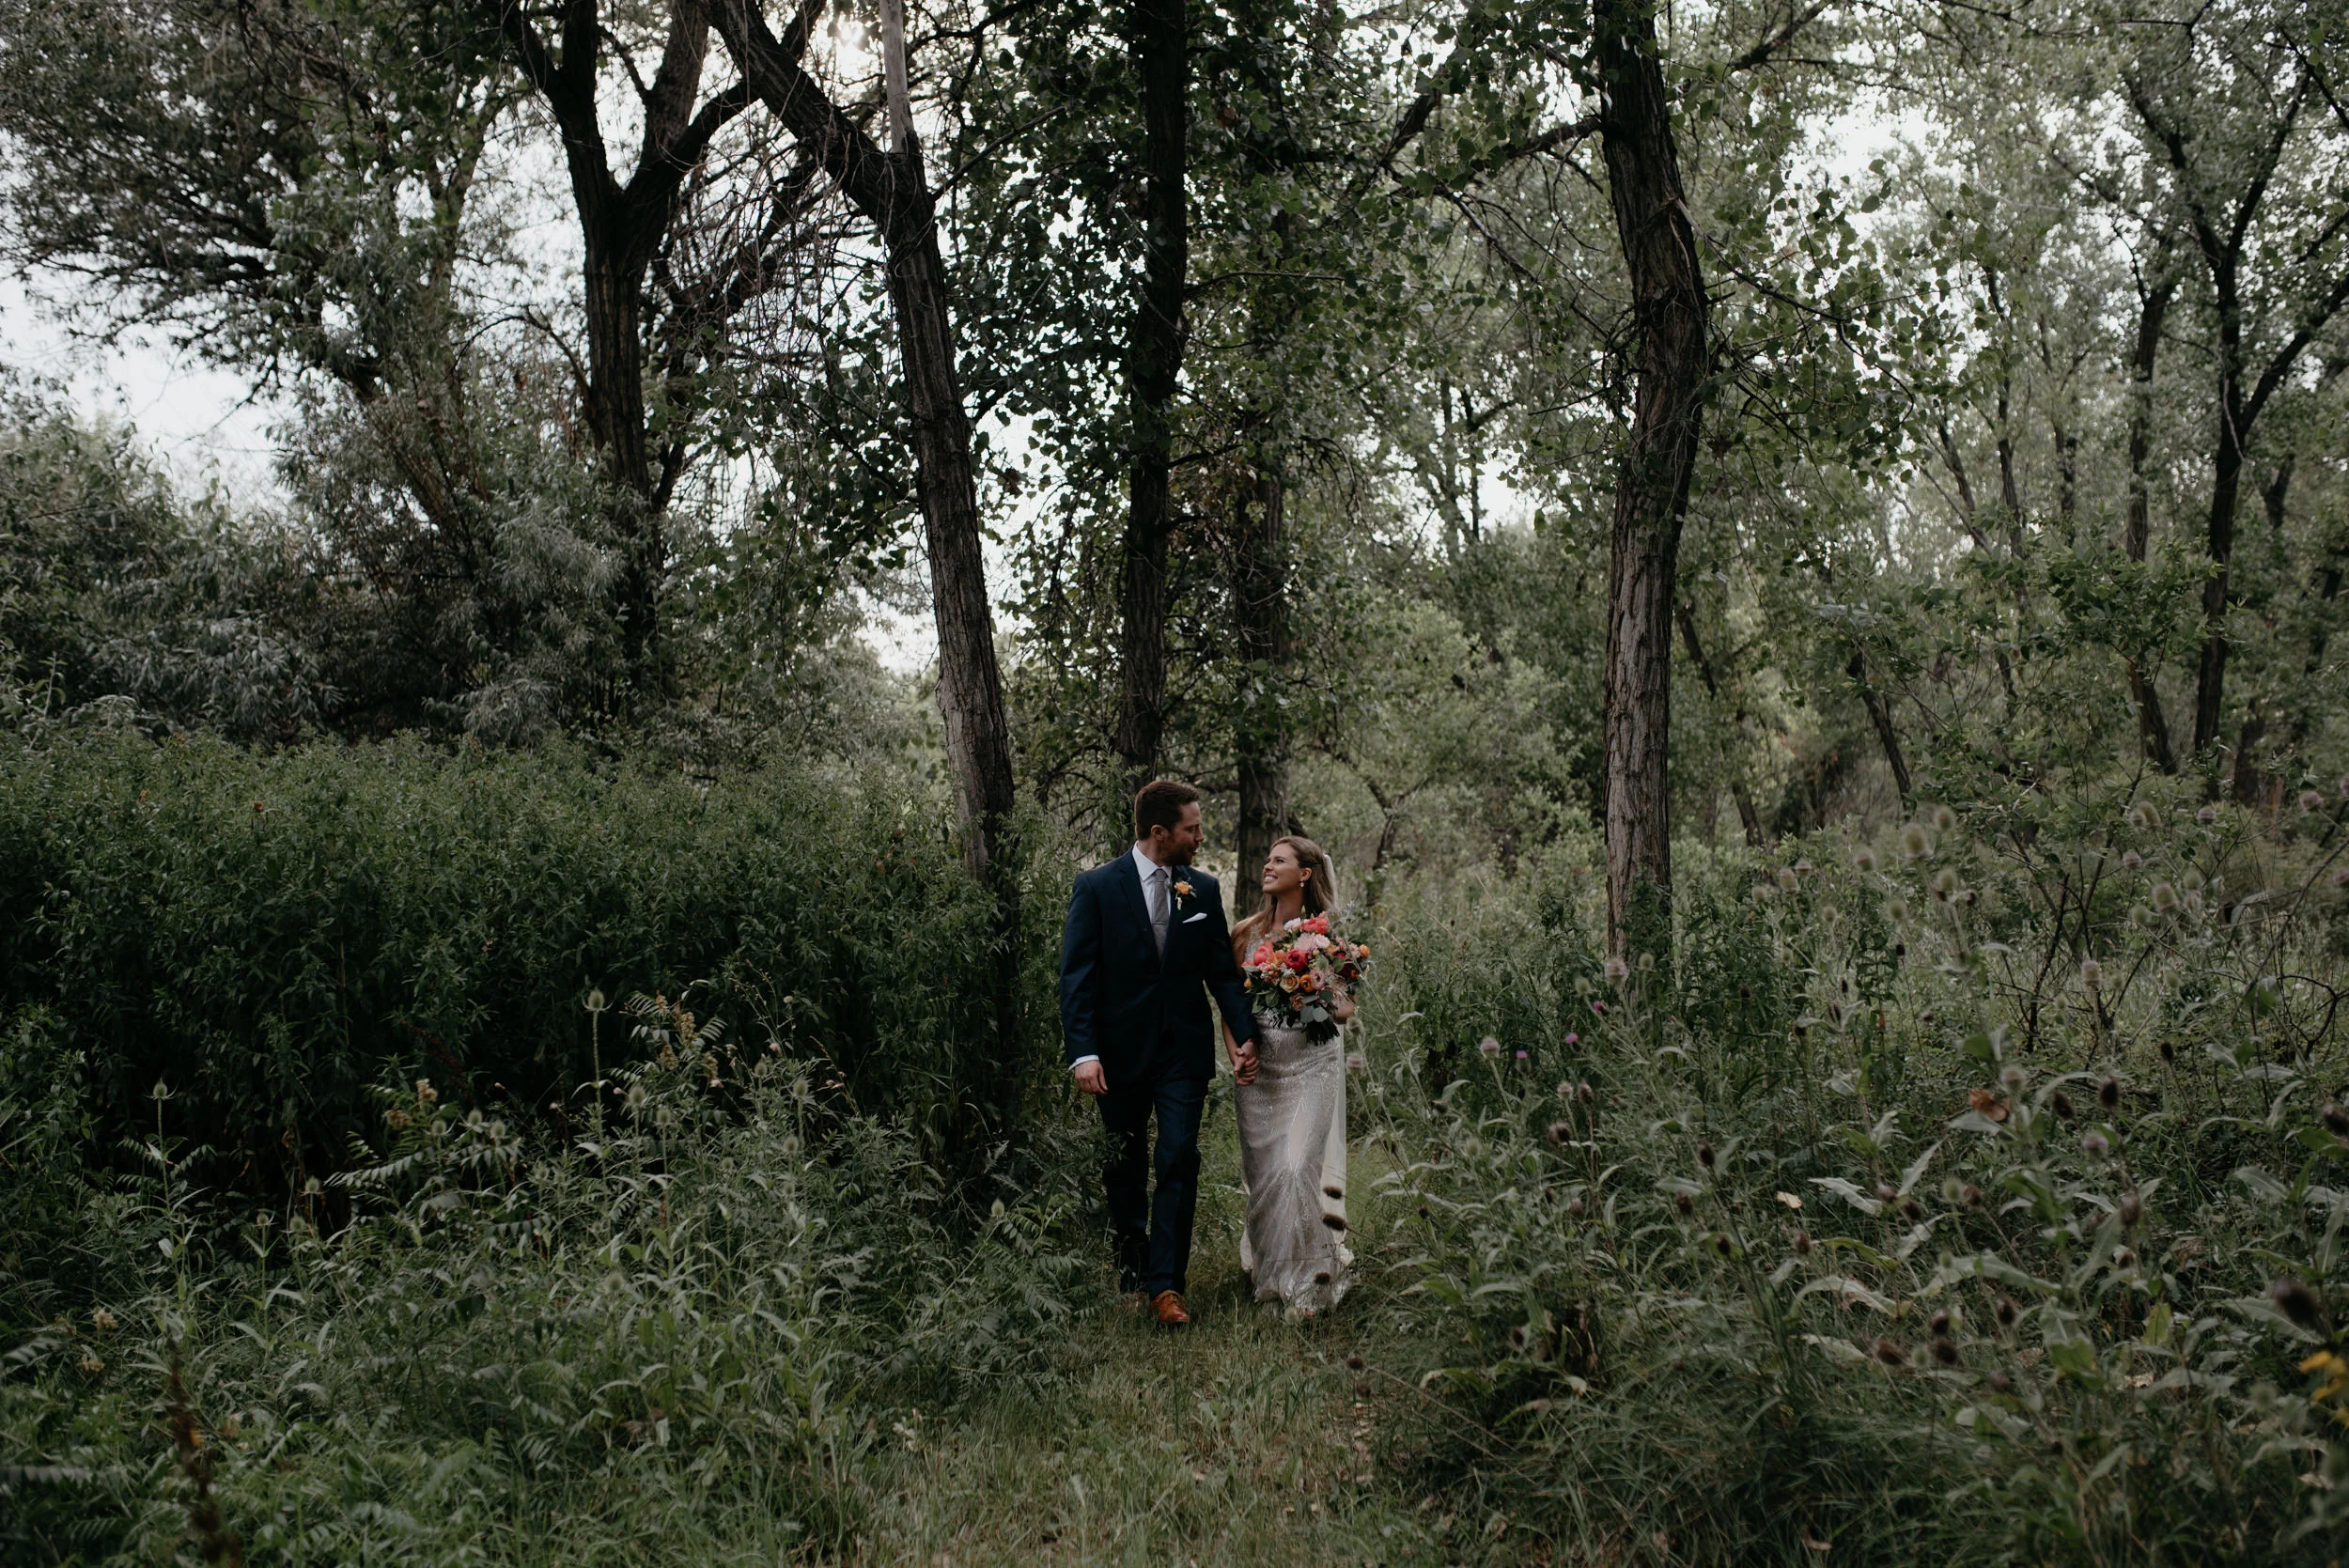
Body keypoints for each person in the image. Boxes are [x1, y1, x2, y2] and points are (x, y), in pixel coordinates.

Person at [1059, 781, 1258, 1329]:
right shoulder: (1097, 887)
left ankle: (1166, 1285)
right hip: (1118, 1055)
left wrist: (1245, 1036)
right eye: (1191, 828)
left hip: (1182, 1053)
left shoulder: (1204, 889)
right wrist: (1084, 1054)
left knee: (1177, 1156)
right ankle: (1132, 1262)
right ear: (1158, 833)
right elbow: (1076, 976)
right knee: (1124, 1163)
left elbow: (1222, 972)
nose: (1200, 837)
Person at [1228, 836, 1354, 1314]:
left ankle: (1309, 1282)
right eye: (1266, 858)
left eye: (1279, 860)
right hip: (1261, 1074)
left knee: (1298, 1167)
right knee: (1266, 1180)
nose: (1267, 865)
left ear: (1305, 873)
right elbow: (1230, 1004)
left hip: (1312, 1067)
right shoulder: (1244, 933)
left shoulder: (1326, 937)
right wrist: (1238, 1051)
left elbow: (1345, 1007)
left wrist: (1304, 986)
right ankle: (1270, 1278)